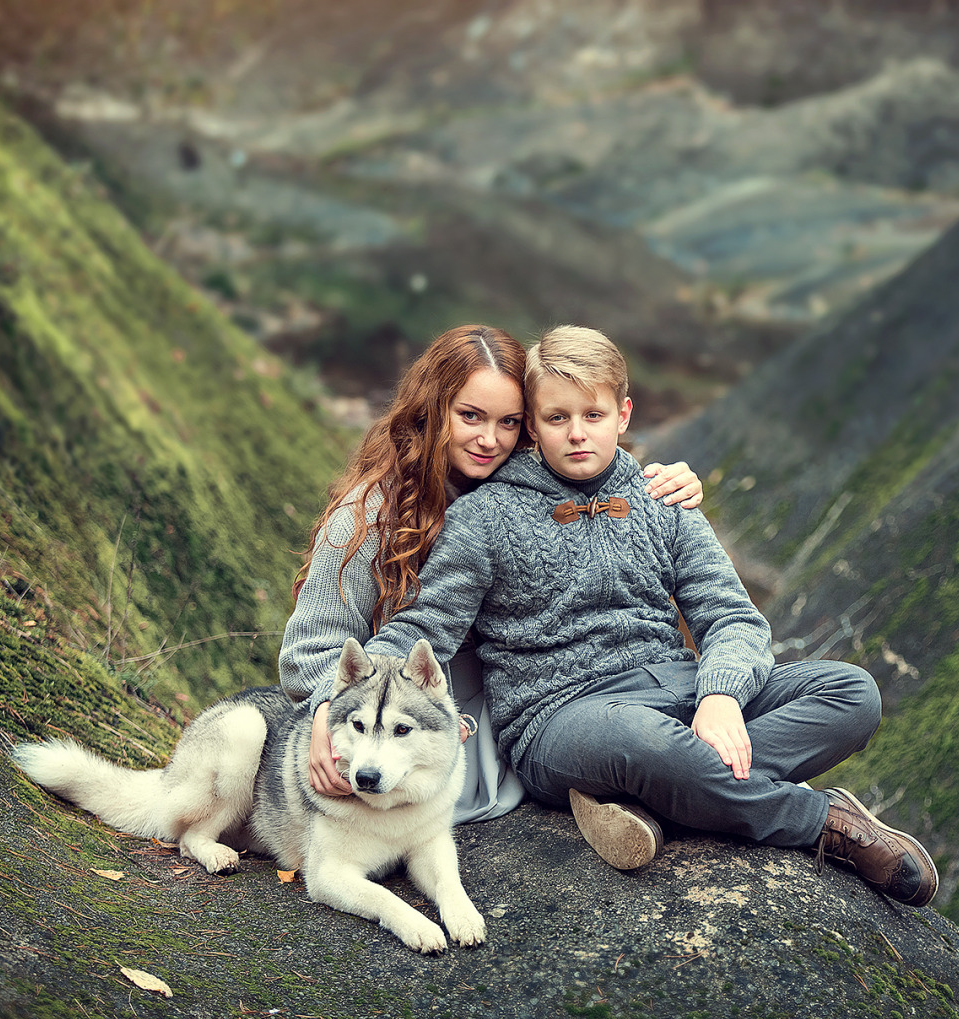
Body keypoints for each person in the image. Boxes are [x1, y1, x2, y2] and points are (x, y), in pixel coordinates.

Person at [355, 325, 938, 906]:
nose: (577, 433)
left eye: (594, 414)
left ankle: (663, 797)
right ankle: (822, 823)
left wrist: (720, 696)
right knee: (643, 741)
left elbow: (733, 618)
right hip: (562, 718)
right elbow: (424, 628)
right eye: (557, 418)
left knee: (853, 694)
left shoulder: (663, 501)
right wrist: (339, 703)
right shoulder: (484, 519)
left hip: (679, 689)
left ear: (624, 414)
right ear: (532, 425)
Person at [278, 324, 702, 825]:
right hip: (407, 717)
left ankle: (635, 795)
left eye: (509, 422)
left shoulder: (522, 488)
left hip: (522, 694)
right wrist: (329, 715)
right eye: (470, 416)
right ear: (433, 410)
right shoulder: (370, 514)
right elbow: (306, 653)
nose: (488, 439)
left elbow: (595, 478)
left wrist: (658, 480)